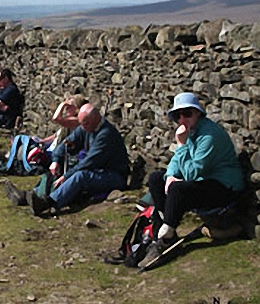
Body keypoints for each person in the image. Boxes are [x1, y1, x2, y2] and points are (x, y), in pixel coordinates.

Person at [137, 92, 245, 269]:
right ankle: (165, 230)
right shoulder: (192, 132)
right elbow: (176, 163)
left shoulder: (208, 136)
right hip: (207, 181)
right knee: (157, 178)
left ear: (198, 114)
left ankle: (165, 237)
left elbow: (192, 173)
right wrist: (170, 175)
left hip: (226, 188)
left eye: (187, 113)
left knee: (178, 189)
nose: (182, 119)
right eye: (178, 115)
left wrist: (180, 145)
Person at [20, 104, 129, 216]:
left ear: (95, 119)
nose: (82, 127)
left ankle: (48, 203)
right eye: (81, 123)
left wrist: (66, 176)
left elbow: (90, 162)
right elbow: (67, 142)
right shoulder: (86, 127)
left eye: (85, 123)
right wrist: (56, 160)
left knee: (80, 176)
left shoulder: (106, 135)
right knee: (59, 167)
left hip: (114, 175)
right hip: (98, 170)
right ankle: (34, 194)